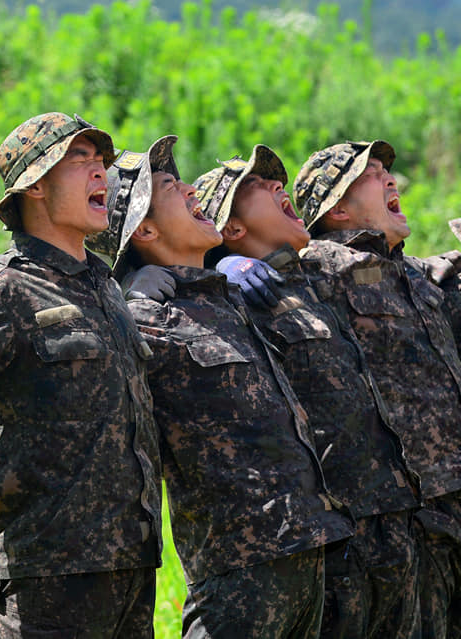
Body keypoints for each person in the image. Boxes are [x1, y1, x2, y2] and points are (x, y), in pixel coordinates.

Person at [89, 136, 353, 639]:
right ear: (144, 228)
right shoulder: (145, 316)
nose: (191, 190)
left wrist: (227, 265)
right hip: (239, 566)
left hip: (307, 547)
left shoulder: (229, 300)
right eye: (170, 186)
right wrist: (120, 302)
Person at [0, 113, 162, 638]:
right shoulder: (2, 291)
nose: (101, 173)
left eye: (101, 162)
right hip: (50, 577)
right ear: (34, 186)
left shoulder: (105, 289)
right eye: (81, 161)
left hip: (133, 566)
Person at [193, 145, 422, 639]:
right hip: (314, 537)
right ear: (231, 230)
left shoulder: (315, 276)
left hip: (388, 520)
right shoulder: (232, 297)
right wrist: (222, 270)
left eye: (279, 184)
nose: (280, 187)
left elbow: (395, 272)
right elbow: (166, 289)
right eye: (258, 187)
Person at [290, 141, 461, 639]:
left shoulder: (413, 273)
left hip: (448, 503)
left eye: (389, 170)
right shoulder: (316, 268)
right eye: (372, 174)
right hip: (390, 521)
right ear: (337, 208)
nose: (391, 180)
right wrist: (225, 264)